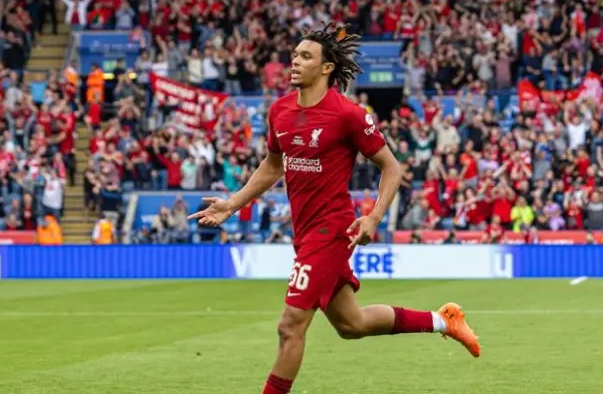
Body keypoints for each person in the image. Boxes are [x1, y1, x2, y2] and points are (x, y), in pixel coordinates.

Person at [190, 23, 480, 394]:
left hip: (332, 230)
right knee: (351, 324)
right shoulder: (279, 111)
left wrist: (374, 216)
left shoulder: (349, 115)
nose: (295, 61)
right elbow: (273, 165)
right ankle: (444, 321)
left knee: (290, 324)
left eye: (305, 56)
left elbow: (392, 167)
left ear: (327, 68)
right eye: (294, 55)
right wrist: (232, 203)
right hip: (305, 231)